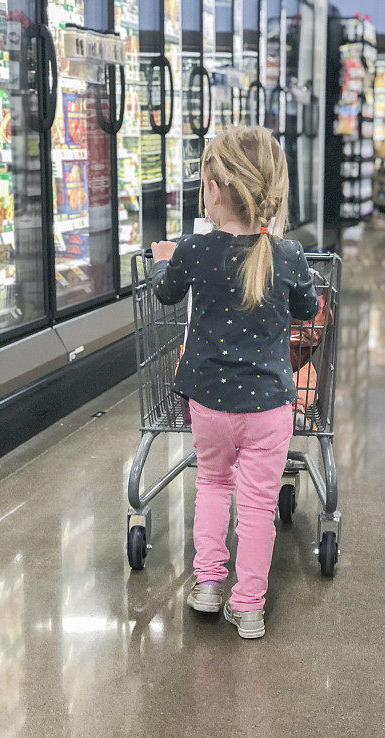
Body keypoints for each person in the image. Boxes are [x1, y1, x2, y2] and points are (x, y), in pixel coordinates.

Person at [151, 126, 318, 639]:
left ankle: (206, 584)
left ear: (216, 189)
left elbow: (165, 294)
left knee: (212, 483)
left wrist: (165, 259)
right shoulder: (288, 256)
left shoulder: (195, 251)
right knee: (259, 505)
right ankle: (248, 606)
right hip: (269, 408)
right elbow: (308, 309)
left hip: (210, 403)